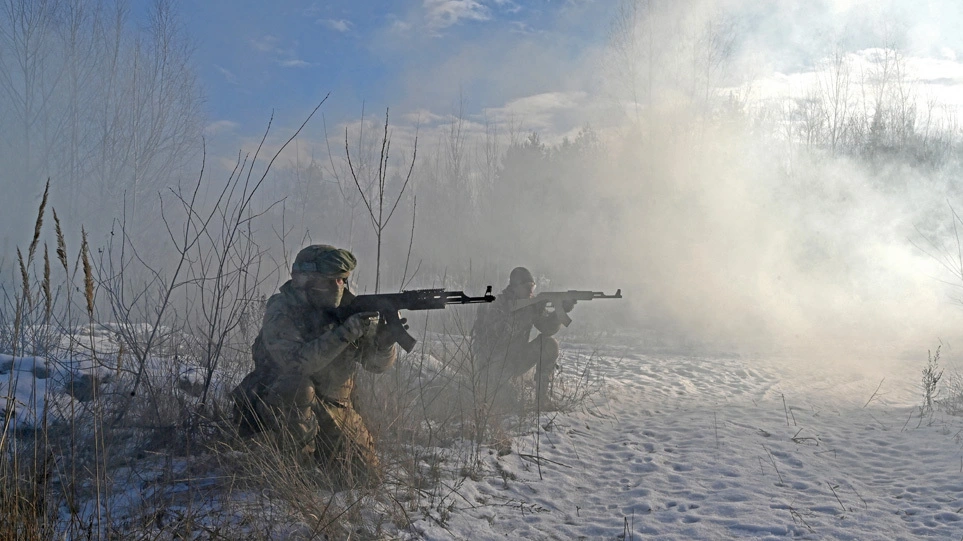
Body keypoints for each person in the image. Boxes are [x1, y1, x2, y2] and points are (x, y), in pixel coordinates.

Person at [230, 244, 397, 486]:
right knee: (297, 387)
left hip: (333, 407)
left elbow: (375, 365)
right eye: (330, 281)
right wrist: (345, 333)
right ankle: (294, 475)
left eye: (342, 280)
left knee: (366, 478)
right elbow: (296, 364)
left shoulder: (348, 309)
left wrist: (385, 342)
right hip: (278, 405)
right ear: (304, 280)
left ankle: (321, 457)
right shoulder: (282, 310)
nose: (338, 287)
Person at [471, 266, 575, 408]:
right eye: (527, 287)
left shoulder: (530, 304)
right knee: (504, 405)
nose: (531, 290)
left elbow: (547, 329)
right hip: (493, 366)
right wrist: (526, 313)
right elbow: (500, 336)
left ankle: (541, 400)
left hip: (516, 359)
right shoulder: (497, 305)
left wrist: (559, 311)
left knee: (549, 345)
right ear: (515, 287)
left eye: (533, 286)